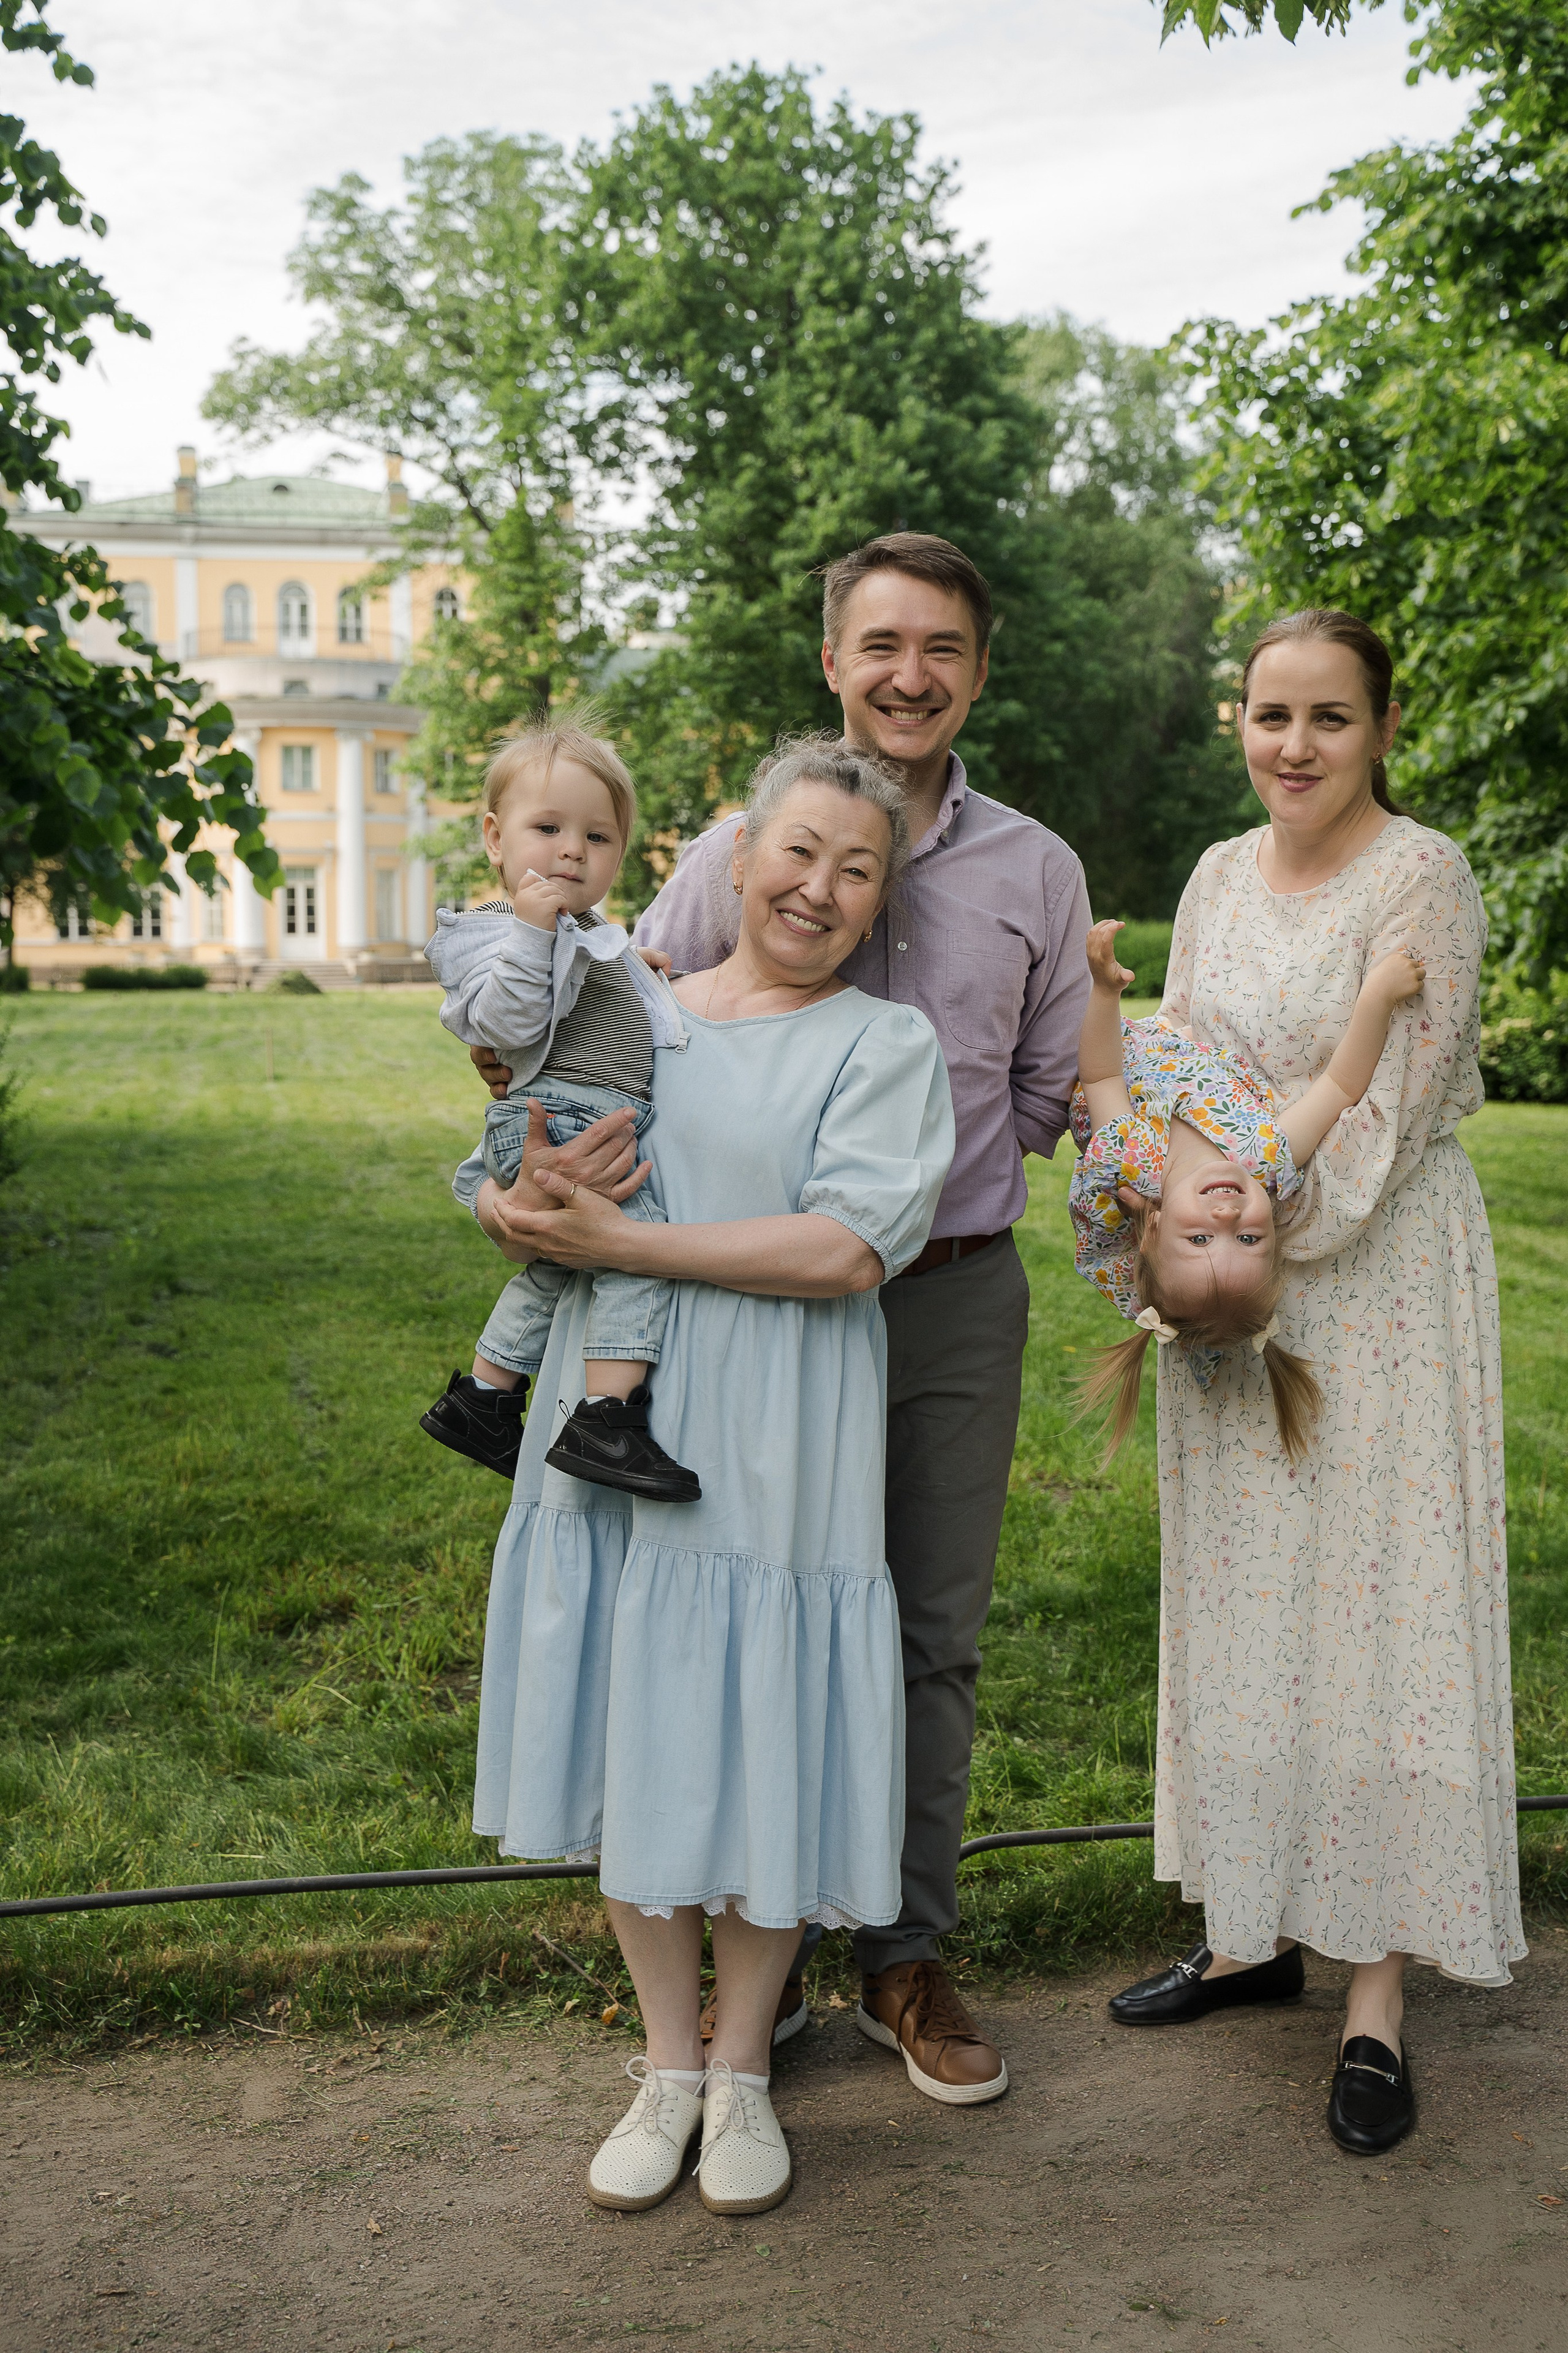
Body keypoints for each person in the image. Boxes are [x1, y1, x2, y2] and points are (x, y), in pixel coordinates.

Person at [631, 534, 1093, 2104]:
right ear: (831, 657)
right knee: (735, 1610)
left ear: (977, 671)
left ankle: (899, 1948)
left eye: (943, 647)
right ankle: (725, 1993)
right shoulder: (730, 851)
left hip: (949, 1296)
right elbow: (633, 1042)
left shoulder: (1034, 867)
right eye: (881, 642)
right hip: (747, 1305)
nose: (910, 672)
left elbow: (1047, 1098)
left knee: (921, 1638)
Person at [464, 742, 955, 2216]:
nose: (818, 888)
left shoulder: (883, 1044)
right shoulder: (634, 1011)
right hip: (612, 1426)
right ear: (736, 857)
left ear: (878, 900)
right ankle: (664, 2062)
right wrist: (512, 1202)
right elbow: (532, 1157)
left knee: (758, 1728)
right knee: (634, 1721)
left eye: (856, 868)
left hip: (778, 1433)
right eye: (797, 853)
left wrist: (625, 1249)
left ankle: (743, 2067)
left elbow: (846, 1246)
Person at [1104, 607, 1521, 2159]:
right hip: (1230, 1278)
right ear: (1238, 719)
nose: (1292, 745)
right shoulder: (1217, 872)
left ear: (1380, 727)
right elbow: (1175, 1061)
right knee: (1245, 1601)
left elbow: (1383, 1119)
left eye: (1327, 718)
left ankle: (1373, 1990)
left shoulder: (1420, 877)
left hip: (1371, 1283)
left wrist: (1233, 1227)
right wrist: (1172, 1236)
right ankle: (1246, 1926)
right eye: (1269, 714)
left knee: (1374, 1612)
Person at [419, 714, 699, 1501]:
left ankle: (482, 1398)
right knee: (637, 1249)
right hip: (558, 1123)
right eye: (548, 827)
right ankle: (605, 1418)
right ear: (495, 838)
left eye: (598, 837)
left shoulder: (587, 934)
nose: (573, 849)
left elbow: (585, 993)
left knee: (555, 1266)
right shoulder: (494, 933)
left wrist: (629, 972)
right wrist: (541, 937)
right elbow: (504, 1021)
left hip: (587, 1121)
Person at [1070, 914, 1428, 1453]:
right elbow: (1339, 1085)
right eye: (1249, 1240)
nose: (1227, 1221)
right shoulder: (1267, 1156)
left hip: (1138, 1050)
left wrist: (1103, 990)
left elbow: (1101, 1074)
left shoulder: (1133, 1160)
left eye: (1198, 1241)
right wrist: (1376, 997)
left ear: (1154, 1228)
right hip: (1190, 1052)